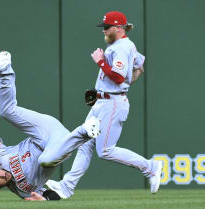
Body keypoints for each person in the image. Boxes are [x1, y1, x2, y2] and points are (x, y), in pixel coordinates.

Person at [46, 11, 162, 198]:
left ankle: (150, 167)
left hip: (112, 102)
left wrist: (101, 61)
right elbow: (139, 64)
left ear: (118, 28)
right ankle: (67, 186)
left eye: (107, 27)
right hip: (103, 101)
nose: (104, 31)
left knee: (106, 150)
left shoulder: (121, 47)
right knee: (85, 145)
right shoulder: (125, 45)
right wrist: (129, 82)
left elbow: (117, 77)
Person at [0, 51, 101, 201]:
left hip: (43, 130)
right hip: (58, 146)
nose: (0, 175)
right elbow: (49, 195)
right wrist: (45, 200)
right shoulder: (22, 192)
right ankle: (85, 130)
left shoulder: (0, 160)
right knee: (46, 160)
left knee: (7, 112)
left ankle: (4, 69)